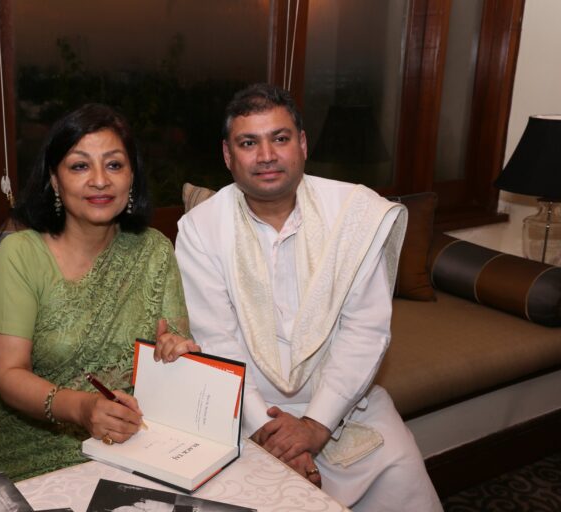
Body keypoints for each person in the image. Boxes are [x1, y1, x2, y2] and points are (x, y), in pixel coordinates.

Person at [159, 84, 442, 511]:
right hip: (242, 411)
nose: (267, 155)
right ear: (227, 155)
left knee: (402, 476)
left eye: (281, 138)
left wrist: (315, 425)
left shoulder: (355, 213)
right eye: (249, 143)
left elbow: (364, 332)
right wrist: (274, 438)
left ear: (303, 144)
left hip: (346, 405)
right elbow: (218, 340)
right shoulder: (201, 228)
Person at [0, 103, 192, 481]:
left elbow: (174, 345)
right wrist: (81, 408)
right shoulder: (21, 255)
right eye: (79, 166)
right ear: (54, 181)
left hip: (137, 443)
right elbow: (8, 373)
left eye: (113, 165)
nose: (99, 180)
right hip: (30, 449)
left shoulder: (154, 251)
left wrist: (178, 351)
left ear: (132, 177)